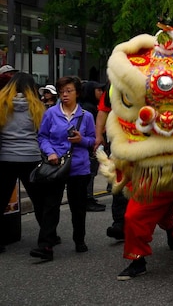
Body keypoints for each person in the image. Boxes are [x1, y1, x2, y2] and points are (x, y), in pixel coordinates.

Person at [31, 76, 97, 261]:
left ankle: (79, 239)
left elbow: (94, 141)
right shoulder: (51, 113)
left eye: (69, 91)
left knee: (78, 207)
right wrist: (50, 152)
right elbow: (42, 136)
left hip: (79, 167)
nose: (65, 94)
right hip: (55, 166)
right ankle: (45, 246)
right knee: (51, 206)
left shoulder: (86, 116)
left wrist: (81, 140)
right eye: (62, 91)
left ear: (77, 93)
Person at [0, 72, 47, 255]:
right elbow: (41, 132)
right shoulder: (37, 107)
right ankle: (47, 236)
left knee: (1, 200)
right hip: (31, 158)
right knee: (39, 200)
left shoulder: (2, 105)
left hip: (5, 158)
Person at [80, 81, 107, 212]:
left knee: (92, 171)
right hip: (90, 145)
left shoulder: (93, 106)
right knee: (90, 172)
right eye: (98, 91)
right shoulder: (88, 108)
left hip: (93, 144)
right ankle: (87, 199)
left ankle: (89, 198)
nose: (101, 93)